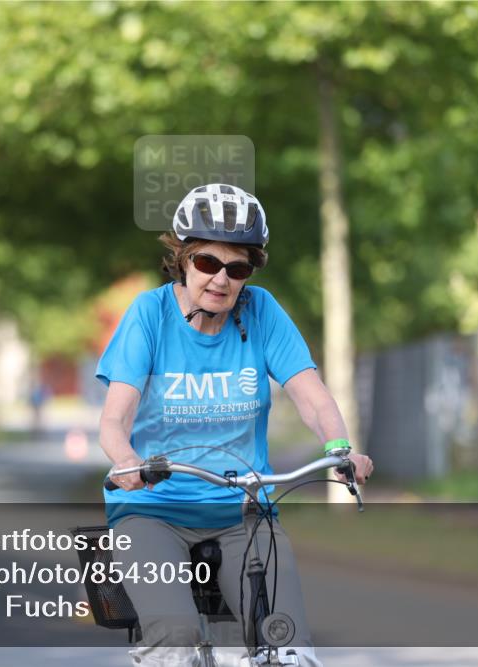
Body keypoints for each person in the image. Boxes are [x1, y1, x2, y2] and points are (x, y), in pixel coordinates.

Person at [96, 183, 373, 666]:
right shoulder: (149, 314)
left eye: (237, 268)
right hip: (153, 510)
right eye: (208, 262)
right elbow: (114, 419)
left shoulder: (261, 311)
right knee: (175, 635)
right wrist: (127, 462)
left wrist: (339, 446)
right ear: (183, 259)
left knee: (287, 642)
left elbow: (312, 397)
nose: (221, 279)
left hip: (243, 511)